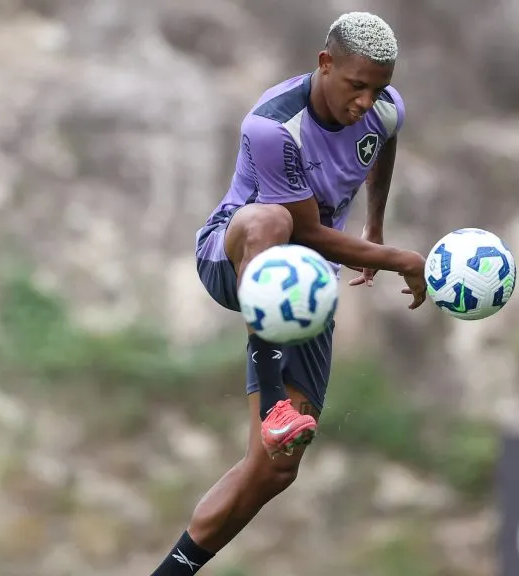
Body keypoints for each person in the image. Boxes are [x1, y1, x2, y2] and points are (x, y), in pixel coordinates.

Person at [151, 11, 427, 575]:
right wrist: (397, 258)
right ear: (325, 63)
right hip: (235, 256)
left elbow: (383, 146)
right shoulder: (274, 126)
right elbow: (303, 231)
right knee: (272, 221)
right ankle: (274, 398)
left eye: (378, 88)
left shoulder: (384, 109)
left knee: (274, 469)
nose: (365, 101)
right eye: (356, 86)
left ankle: (172, 572)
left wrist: (375, 224)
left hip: (307, 282)